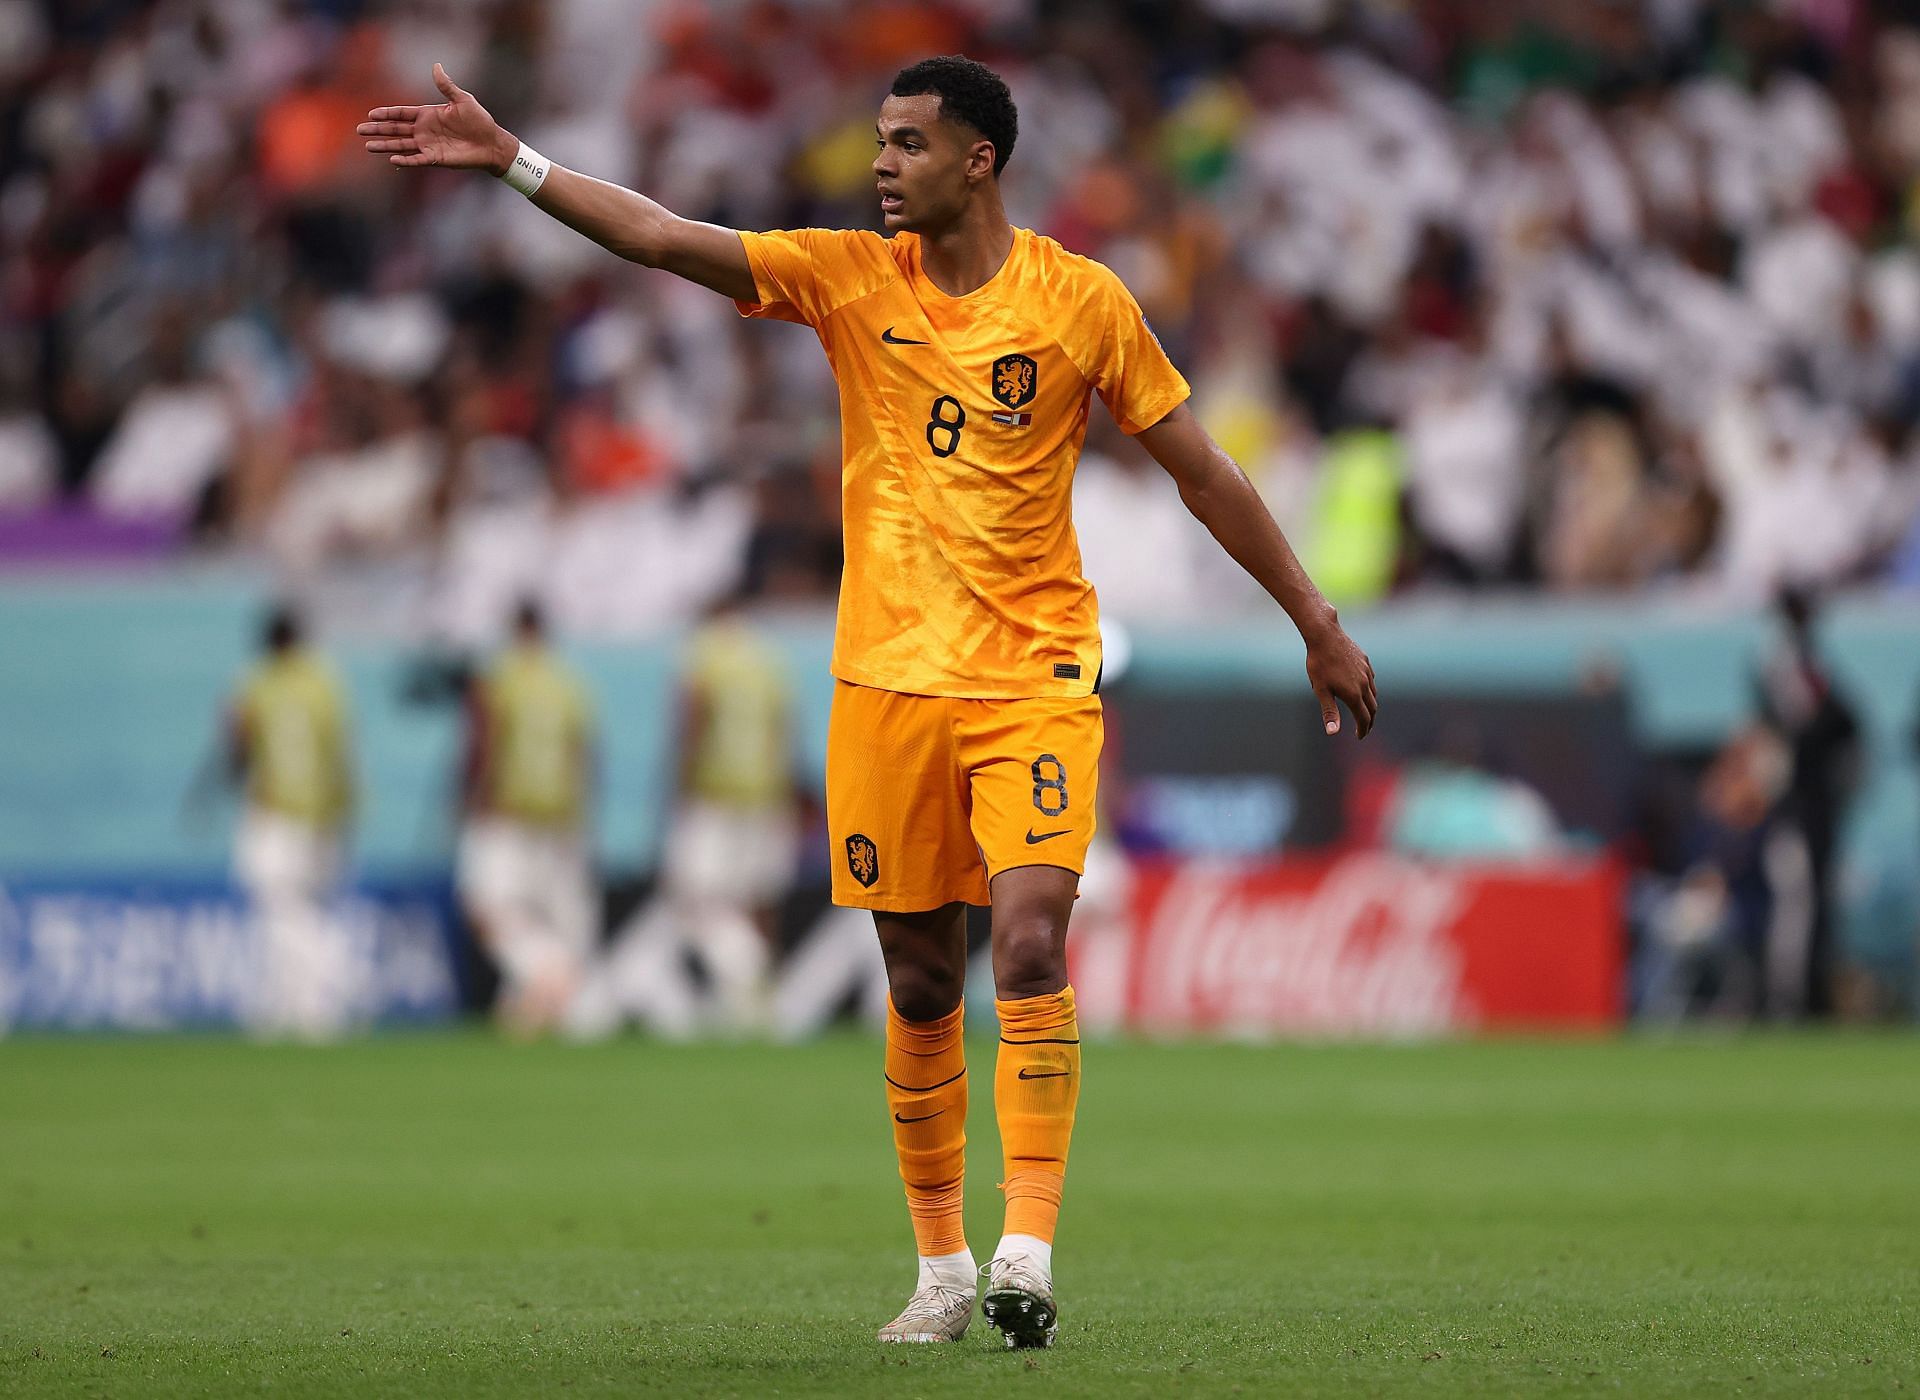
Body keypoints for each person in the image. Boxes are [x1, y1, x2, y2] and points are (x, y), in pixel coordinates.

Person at [360, 55, 1377, 1350]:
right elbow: (667, 239)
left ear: (978, 160)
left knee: (1027, 944)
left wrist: (1316, 620)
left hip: (1031, 679)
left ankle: (1028, 1246)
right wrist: (515, 161)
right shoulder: (848, 280)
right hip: (885, 687)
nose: (881, 164)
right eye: (878, 143)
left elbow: (1206, 472)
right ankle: (942, 1266)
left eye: (905, 143)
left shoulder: (1080, 303)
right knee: (916, 980)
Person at [456, 598, 599, 1037]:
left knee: (488, 911)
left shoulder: (499, 679)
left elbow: (483, 745)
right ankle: (534, 1002)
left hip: (507, 813)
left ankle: (549, 975)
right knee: (548, 910)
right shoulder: (568, 685)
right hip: (560, 816)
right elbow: (584, 755)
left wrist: (469, 798)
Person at [223, 605, 355, 1037]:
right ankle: (287, 1004)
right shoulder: (324, 684)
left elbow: (238, 742)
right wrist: (343, 810)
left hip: (275, 813)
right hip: (323, 816)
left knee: (281, 909)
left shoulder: (257, 682)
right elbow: (341, 752)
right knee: (307, 908)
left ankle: (319, 1000)